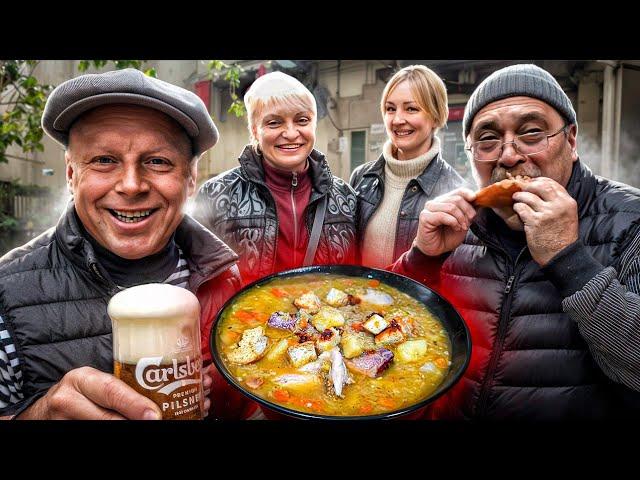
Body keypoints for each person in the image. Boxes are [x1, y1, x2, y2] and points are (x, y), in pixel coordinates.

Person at [393, 64, 640, 419]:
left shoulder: (630, 220)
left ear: (571, 141)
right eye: (488, 139)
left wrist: (568, 259)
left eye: (532, 133)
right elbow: (378, 328)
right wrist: (420, 261)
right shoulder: (457, 224)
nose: (508, 156)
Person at [0, 69, 245, 420]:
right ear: (71, 174)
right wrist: (37, 414)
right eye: (104, 160)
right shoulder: (5, 299)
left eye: (157, 161)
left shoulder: (229, 281)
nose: (131, 185)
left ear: (190, 180)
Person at [194, 71, 357, 285]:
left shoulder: (346, 198)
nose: (290, 133)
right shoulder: (215, 195)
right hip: (246, 317)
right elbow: (199, 276)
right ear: (255, 130)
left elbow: (354, 277)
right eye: (274, 123)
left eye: (302, 120)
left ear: (313, 125)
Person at [350, 65, 465, 269]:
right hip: (357, 298)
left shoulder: (455, 191)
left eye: (411, 108)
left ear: (436, 116)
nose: (397, 120)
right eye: (390, 109)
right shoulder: (362, 178)